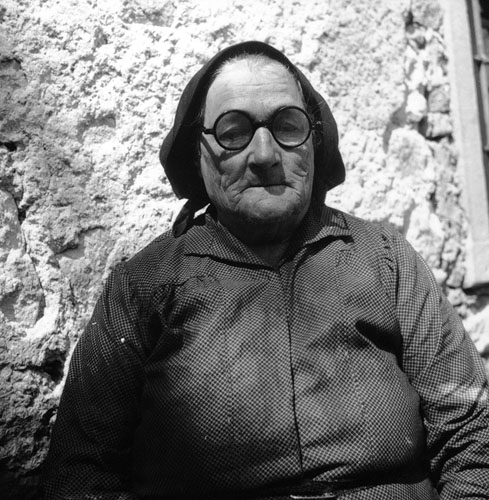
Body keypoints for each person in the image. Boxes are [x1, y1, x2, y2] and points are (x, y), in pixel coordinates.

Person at [41, 41, 489, 500]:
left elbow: (472, 432)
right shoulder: (144, 286)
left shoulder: (385, 259)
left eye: (287, 126)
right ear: (198, 153)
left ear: (314, 141)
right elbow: (79, 476)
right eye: (233, 132)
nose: (264, 155)